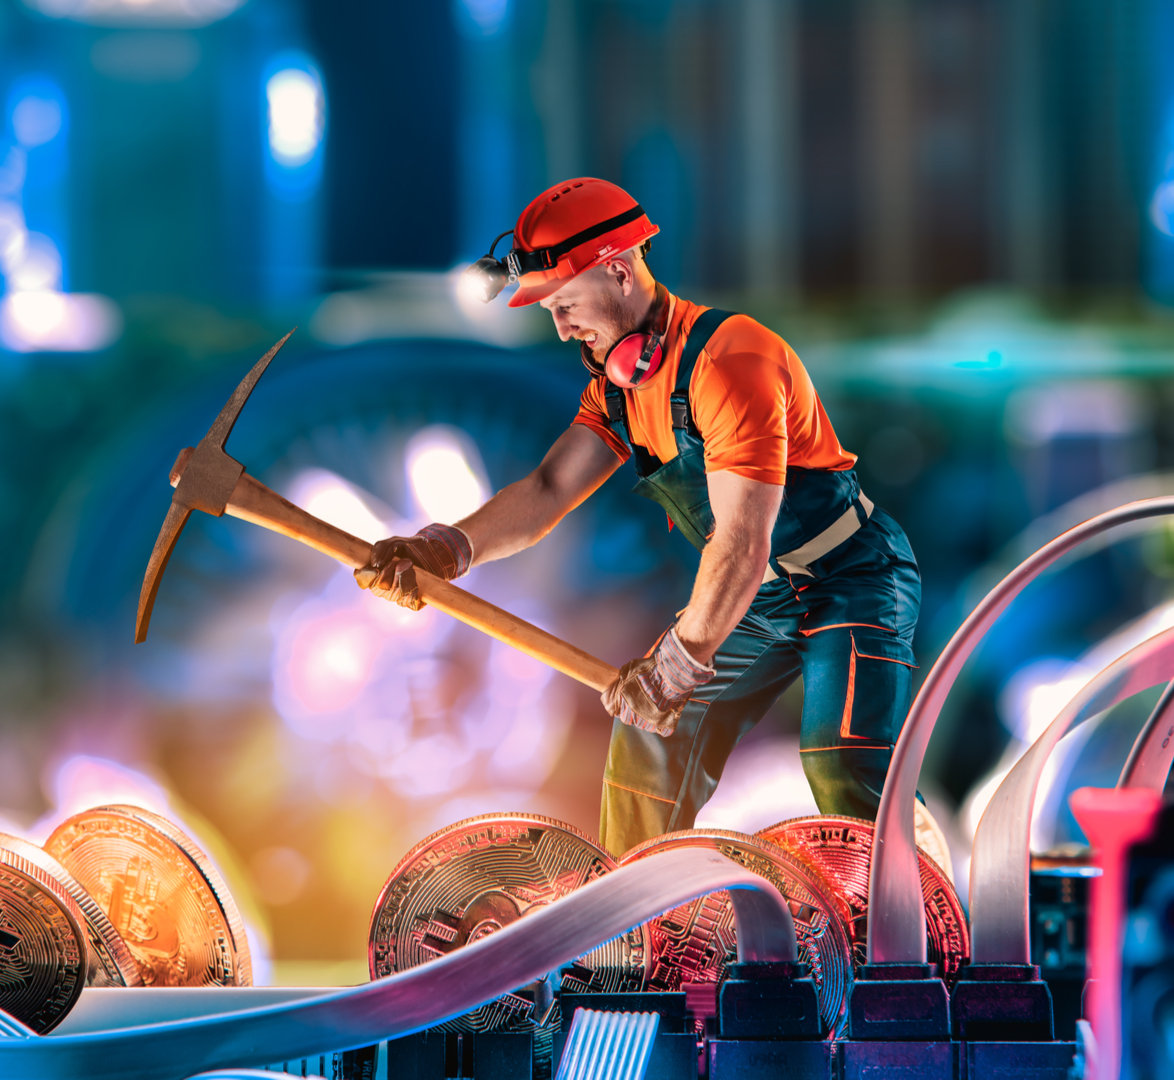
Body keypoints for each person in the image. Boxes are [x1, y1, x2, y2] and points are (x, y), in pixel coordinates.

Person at [357, 177, 924, 856]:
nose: (563, 327)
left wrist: (677, 668)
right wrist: (445, 549)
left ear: (620, 273)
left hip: (853, 577)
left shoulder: (732, 361)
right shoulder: (619, 388)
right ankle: (635, 933)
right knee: (647, 738)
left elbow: (742, 543)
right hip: (761, 593)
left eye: (566, 304)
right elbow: (546, 488)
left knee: (843, 759)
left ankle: (916, 922)